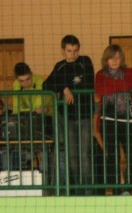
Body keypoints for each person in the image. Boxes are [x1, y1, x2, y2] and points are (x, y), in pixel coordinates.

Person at [44, 34, 95, 195]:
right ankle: (77, 191)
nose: (73, 54)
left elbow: (87, 82)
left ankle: (88, 192)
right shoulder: (59, 66)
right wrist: (64, 88)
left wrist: (64, 85)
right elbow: (46, 84)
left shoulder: (85, 62)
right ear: (63, 51)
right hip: (68, 119)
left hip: (84, 116)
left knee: (84, 155)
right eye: (69, 51)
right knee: (72, 156)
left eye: (75, 51)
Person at [95, 44, 132, 196]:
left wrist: (110, 85)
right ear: (106, 59)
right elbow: (100, 89)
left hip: (128, 122)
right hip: (108, 121)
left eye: (118, 57)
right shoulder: (100, 74)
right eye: (111, 58)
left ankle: (127, 189)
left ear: (122, 59)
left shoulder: (128, 72)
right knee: (112, 158)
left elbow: (126, 86)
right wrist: (118, 86)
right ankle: (116, 191)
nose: (114, 61)